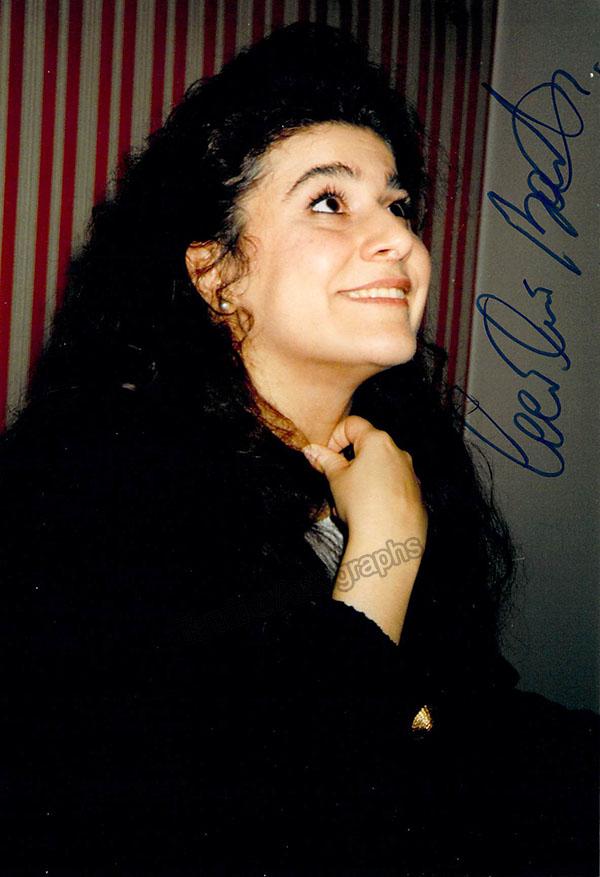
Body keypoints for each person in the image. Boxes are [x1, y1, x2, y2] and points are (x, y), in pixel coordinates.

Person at [1, 22, 597, 877]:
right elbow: (281, 827)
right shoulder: (87, 494)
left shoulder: (408, 459)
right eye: (329, 201)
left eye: (397, 205)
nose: (399, 239)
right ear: (215, 275)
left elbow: (473, 719)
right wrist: (385, 552)